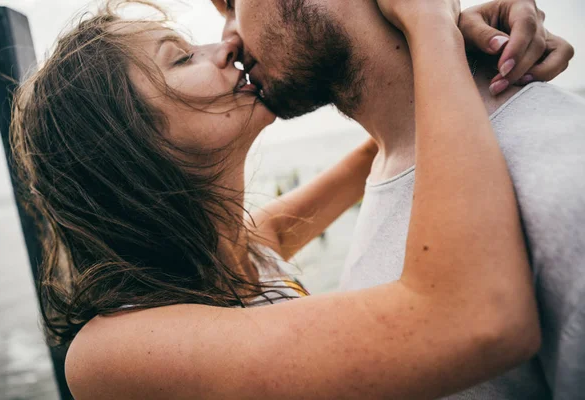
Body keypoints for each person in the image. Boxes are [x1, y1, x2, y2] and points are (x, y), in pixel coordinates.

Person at [8, 0, 566, 398]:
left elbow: (385, 146)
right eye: (180, 59)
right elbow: (473, 318)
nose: (226, 44)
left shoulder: (243, 252)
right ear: (128, 145)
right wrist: (427, 19)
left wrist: (472, 49)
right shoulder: (112, 355)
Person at [212, 0, 585, 398]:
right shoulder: (390, 161)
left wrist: (441, 31)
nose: (228, 38)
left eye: (232, 3)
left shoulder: (565, 183)